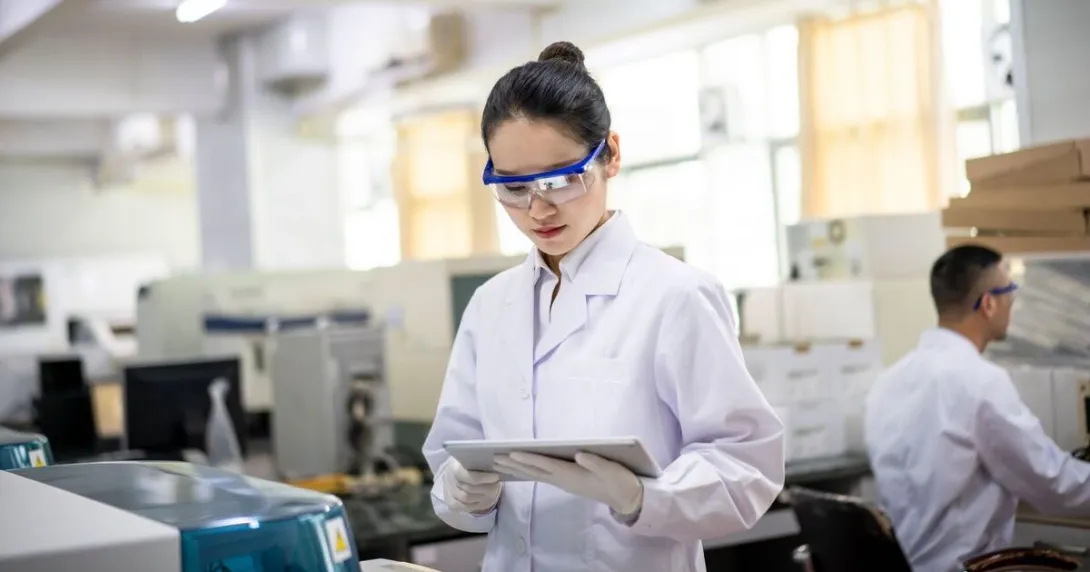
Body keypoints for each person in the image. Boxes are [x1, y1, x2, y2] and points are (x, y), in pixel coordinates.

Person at [421, 41, 785, 572]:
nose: (538, 208)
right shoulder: (490, 306)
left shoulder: (674, 296)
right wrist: (462, 489)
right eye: (513, 187)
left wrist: (641, 497)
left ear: (610, 154)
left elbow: (745, 465)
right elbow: (450, 464)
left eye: (562, 179)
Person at [865, 244, 1090, 572]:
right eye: (1010, 290)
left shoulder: (888, 382)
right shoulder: (979, 381)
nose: (1013, 301)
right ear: (988, 303)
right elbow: (1051, 481)